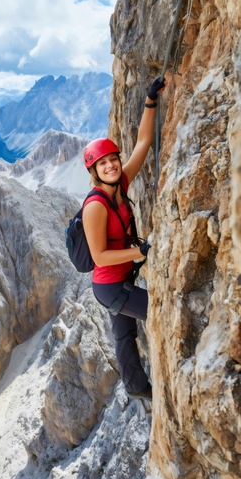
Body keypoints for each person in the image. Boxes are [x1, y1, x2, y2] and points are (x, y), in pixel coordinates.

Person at [82, 76, 167, 401]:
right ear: (94, 171)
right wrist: (138, 251)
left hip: (120, 279)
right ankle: (143, 387)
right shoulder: (95, 207)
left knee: (124, 337)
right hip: (110, 286)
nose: (111, 165)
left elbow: (144, 143)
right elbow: (100, 256)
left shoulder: (122, 184)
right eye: (102, 163)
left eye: (113, 159)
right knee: (160, 310)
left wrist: (150, 101)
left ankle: (135, 386)